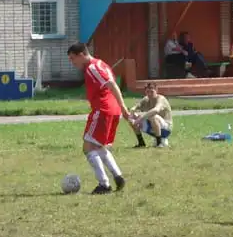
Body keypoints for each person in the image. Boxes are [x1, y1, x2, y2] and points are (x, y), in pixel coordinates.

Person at [67, 42, 129, 194]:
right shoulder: (100, 64)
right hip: (110, 108)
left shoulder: (92, 68)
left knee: (88, 147)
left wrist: (123, 106)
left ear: (82, 55)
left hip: (103, 109)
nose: (72, 63)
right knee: (99, 146)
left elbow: (112, 85)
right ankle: (118, 176)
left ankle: (104, 184)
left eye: (73, 58)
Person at [129, 83, 173, 148]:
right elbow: (135, 107)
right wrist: (132, 113)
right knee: (132, 118)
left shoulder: (161, 99)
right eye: (147, 92)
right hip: (154, 127)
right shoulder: (146, 99)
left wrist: (140, 119)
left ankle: (159, 143)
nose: (149, 94)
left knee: (153, 116)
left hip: (166, 128)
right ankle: (141, 143)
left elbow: (156, 110)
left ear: (156, 90)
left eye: (152, 92)